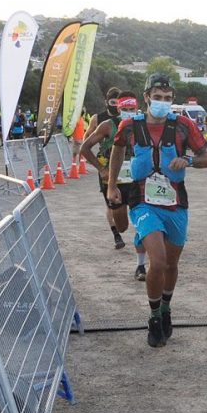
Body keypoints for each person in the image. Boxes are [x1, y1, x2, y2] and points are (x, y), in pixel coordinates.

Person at [106, 73, 207, 347]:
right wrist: (112, 185)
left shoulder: (183, 126)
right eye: (157, 97)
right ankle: (154, 316)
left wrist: (186, 160)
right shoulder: (130, 126)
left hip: (175, 202)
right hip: (142, 200)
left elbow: (206, 158)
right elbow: (117, 151)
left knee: (172, 264)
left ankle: (166, 308)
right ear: (146, 97)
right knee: (159, 259)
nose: (162, 102)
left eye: (167, 98)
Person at [81, 91, 149, 280]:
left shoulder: (143, 125)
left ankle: (140, 266)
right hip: (114, 182)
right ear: (118, 109)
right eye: (125, 109)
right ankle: (120, 228)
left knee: (142, 222)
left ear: (137, 108)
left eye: (132, 109)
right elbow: (84, 148)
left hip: (138, 180)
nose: (129, 112)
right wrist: (102, 169)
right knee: (122, 226)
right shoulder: (107, 126)